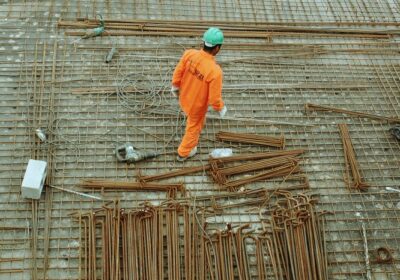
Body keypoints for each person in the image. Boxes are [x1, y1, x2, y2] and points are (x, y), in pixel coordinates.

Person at [171, 27, 227, 161]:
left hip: (184, 97)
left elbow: (178, 71)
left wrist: (175, 86)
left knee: (194, 121)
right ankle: (183, 152)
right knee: (194, 127)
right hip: (196, 106)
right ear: (217, 48)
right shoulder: (215, 71)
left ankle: (186, 146)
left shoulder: (189, 54)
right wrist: (220, 108)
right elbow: (214, 98)